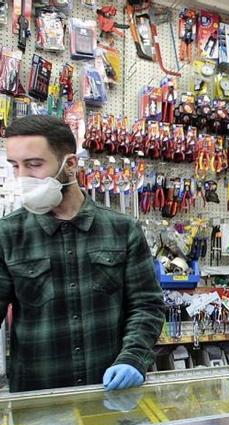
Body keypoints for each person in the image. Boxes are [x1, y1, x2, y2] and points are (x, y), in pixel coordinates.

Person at [0, 116, 164, 393]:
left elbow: (146, 305)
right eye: (15, 166)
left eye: (34, 165)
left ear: (71, 165)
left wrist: (133, 359)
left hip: (108, 393)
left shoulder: (122, 230)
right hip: (37, 401)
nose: (23, 178)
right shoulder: (8, 234)